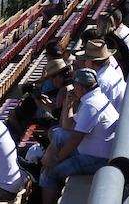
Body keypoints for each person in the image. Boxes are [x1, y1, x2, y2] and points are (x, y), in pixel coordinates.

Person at [38, 69, 119, 204]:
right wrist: (68, 104)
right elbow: (67, 126)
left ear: (80, 87)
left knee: (50, 172)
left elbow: (75, 140)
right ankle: (46, 161)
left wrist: (57, 159)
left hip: (97, 159)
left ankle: (45, 164)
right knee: (58, 133)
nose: (73, 88)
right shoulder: (95, 97)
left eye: (75, 85)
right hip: (94, 150)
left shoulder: (90, 105)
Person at [76, 40, 126, 111]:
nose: (84, 63)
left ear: (90, 62)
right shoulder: (110, 71)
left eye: (85, 60)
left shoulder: (99, 82)